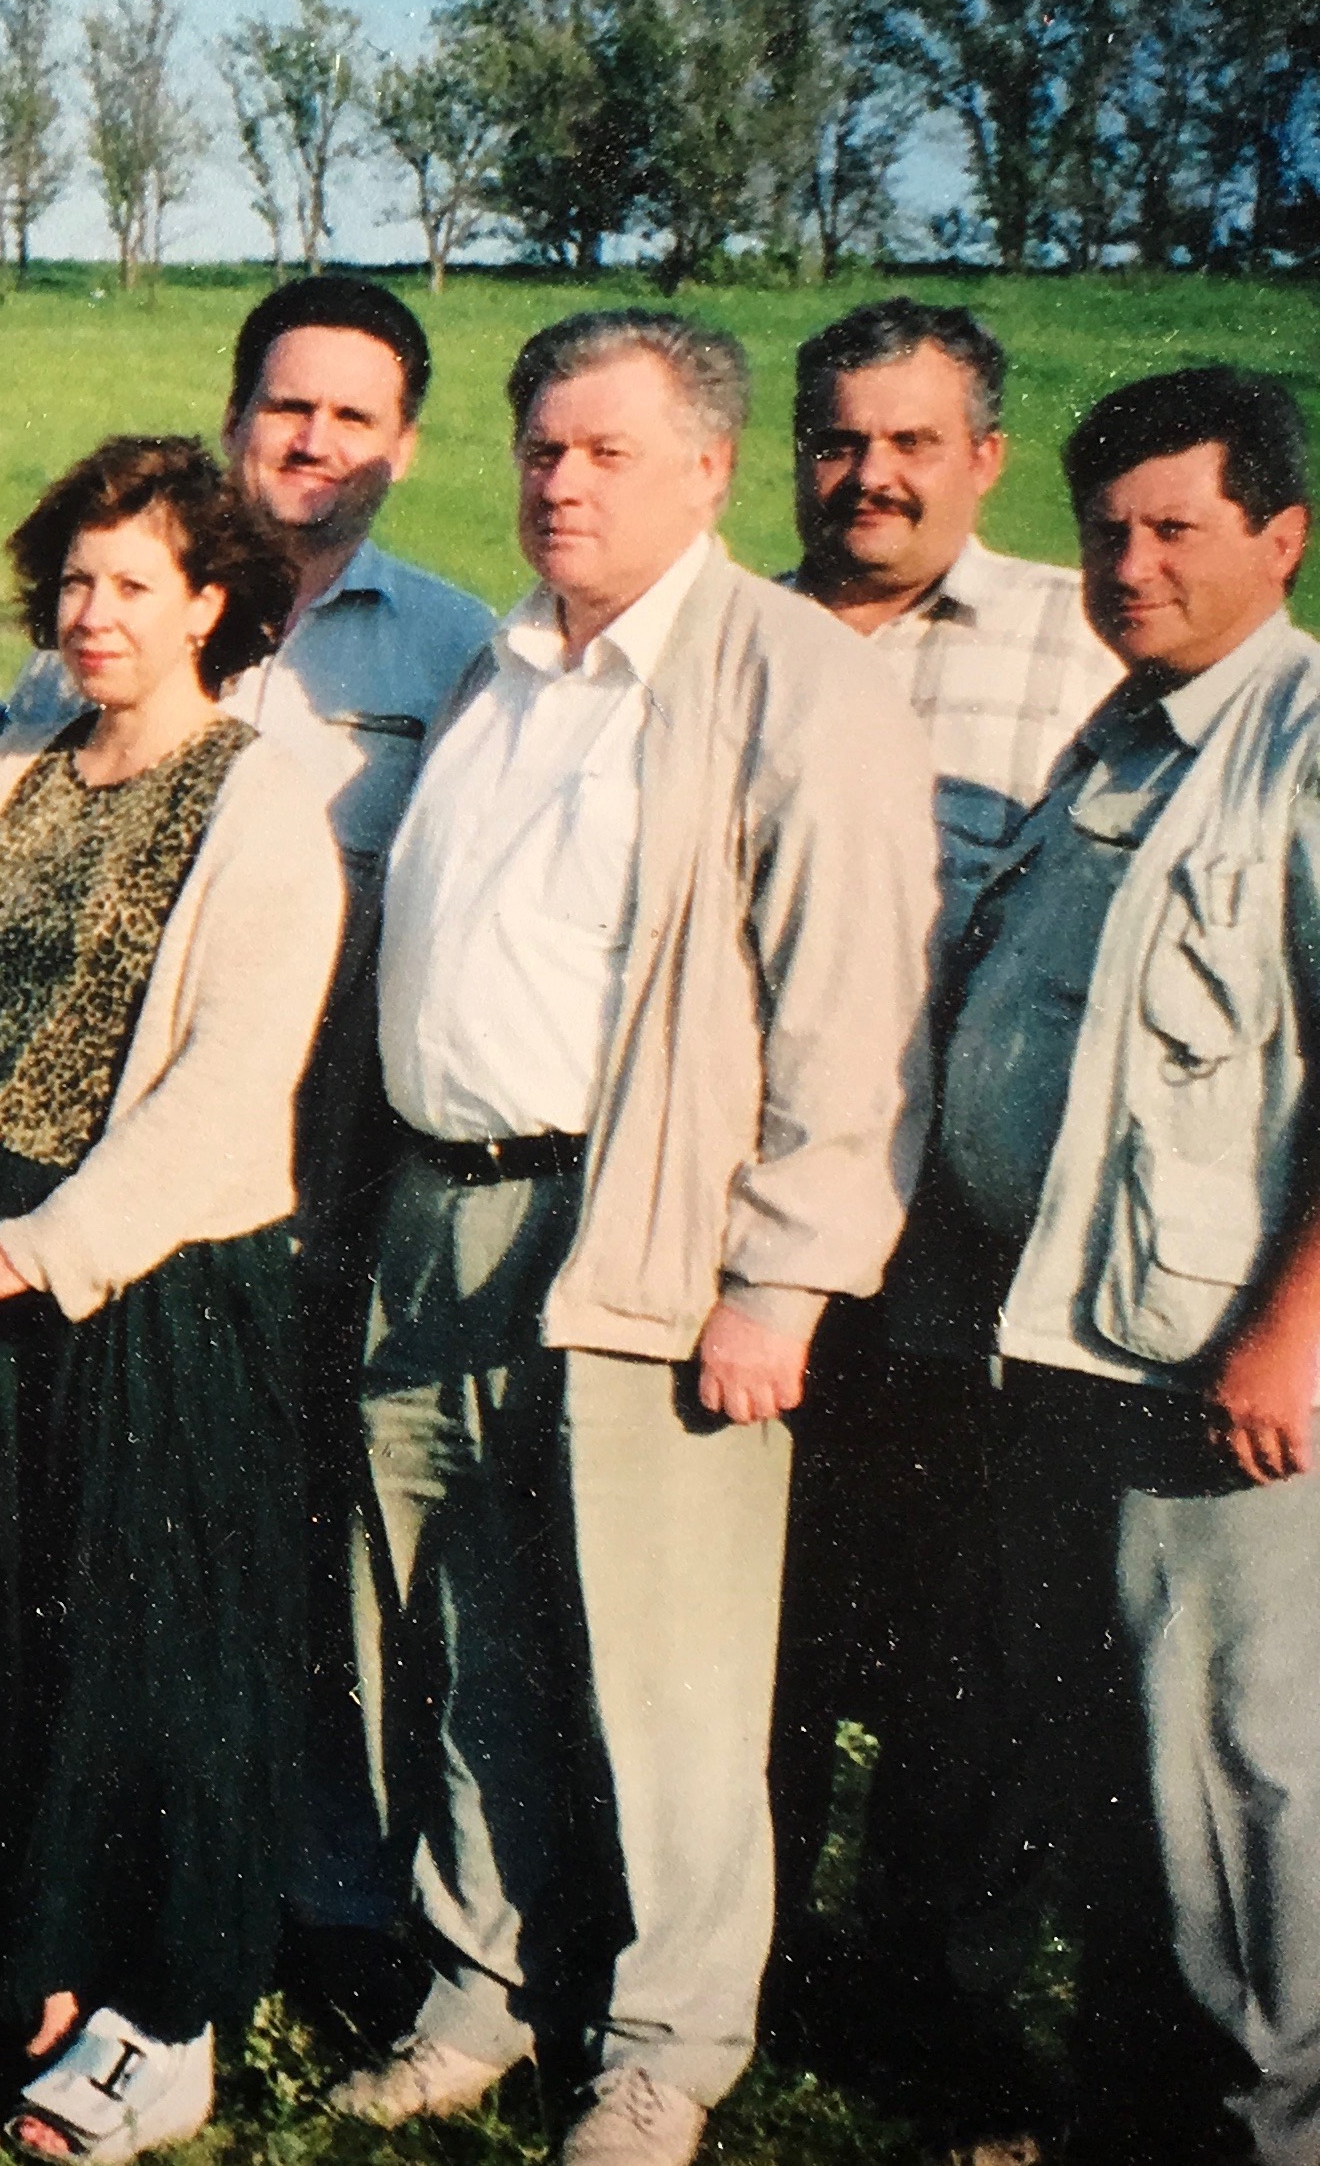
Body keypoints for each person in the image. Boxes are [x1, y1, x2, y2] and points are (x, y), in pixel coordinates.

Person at [333, 311, 939, 2166]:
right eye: (538, 450)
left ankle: (665, 2043)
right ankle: (479, 1984)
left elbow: (854, 1008)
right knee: (458, 1630)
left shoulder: (786, 677)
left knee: (663, 1668)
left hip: (646, 1226)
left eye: (604, 453)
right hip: (436, 1211)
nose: (560, 481)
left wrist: (781, 1277)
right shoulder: (502, 666)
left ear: (705, 471)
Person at [0, 436, 339, 2159]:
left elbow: (228, 1082)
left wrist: (39, 1247)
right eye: (72, 581)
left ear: (212, 600)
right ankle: (27, 1975)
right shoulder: (15, 764)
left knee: (150, 1666)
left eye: (132, 582)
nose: (91, 612)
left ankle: (158, 2024)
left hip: (154, 1290)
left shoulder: (263, 795)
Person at [4, 274, 495, 1995]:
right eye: (286, 406)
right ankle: (136, 1898)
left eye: (352, 415)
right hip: (123, 1206)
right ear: (234, 421)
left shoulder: (455, 654)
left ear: (401, 444)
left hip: (349, 1179)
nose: (313, 441)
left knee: (347, 1564)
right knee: (141, 1565)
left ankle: (335, 1897)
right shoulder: (90, 640)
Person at [921, 366, 1320, 2166]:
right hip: (1061, 1339)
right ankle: (1135, 2113)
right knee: (1104, 1777)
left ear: (1281, 536)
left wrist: (1294, 1335)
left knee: (1232, 1792)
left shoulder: (1303, 740)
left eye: (1176, 527)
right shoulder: (1118, 735)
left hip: (1214, 1371)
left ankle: (1258, 2133)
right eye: (1106, 530)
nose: (1131, 562)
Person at [758, 298, 1120, 2112]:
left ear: (981, 454)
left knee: (958, 1649)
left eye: (910, 441)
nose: (869, 474)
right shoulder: (732, 637)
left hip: (971, 1246)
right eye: (836, 437)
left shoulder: (1082, 641)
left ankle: (926, 1994)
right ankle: (725, 1955)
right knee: (753, 1621)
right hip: (743, 1229)